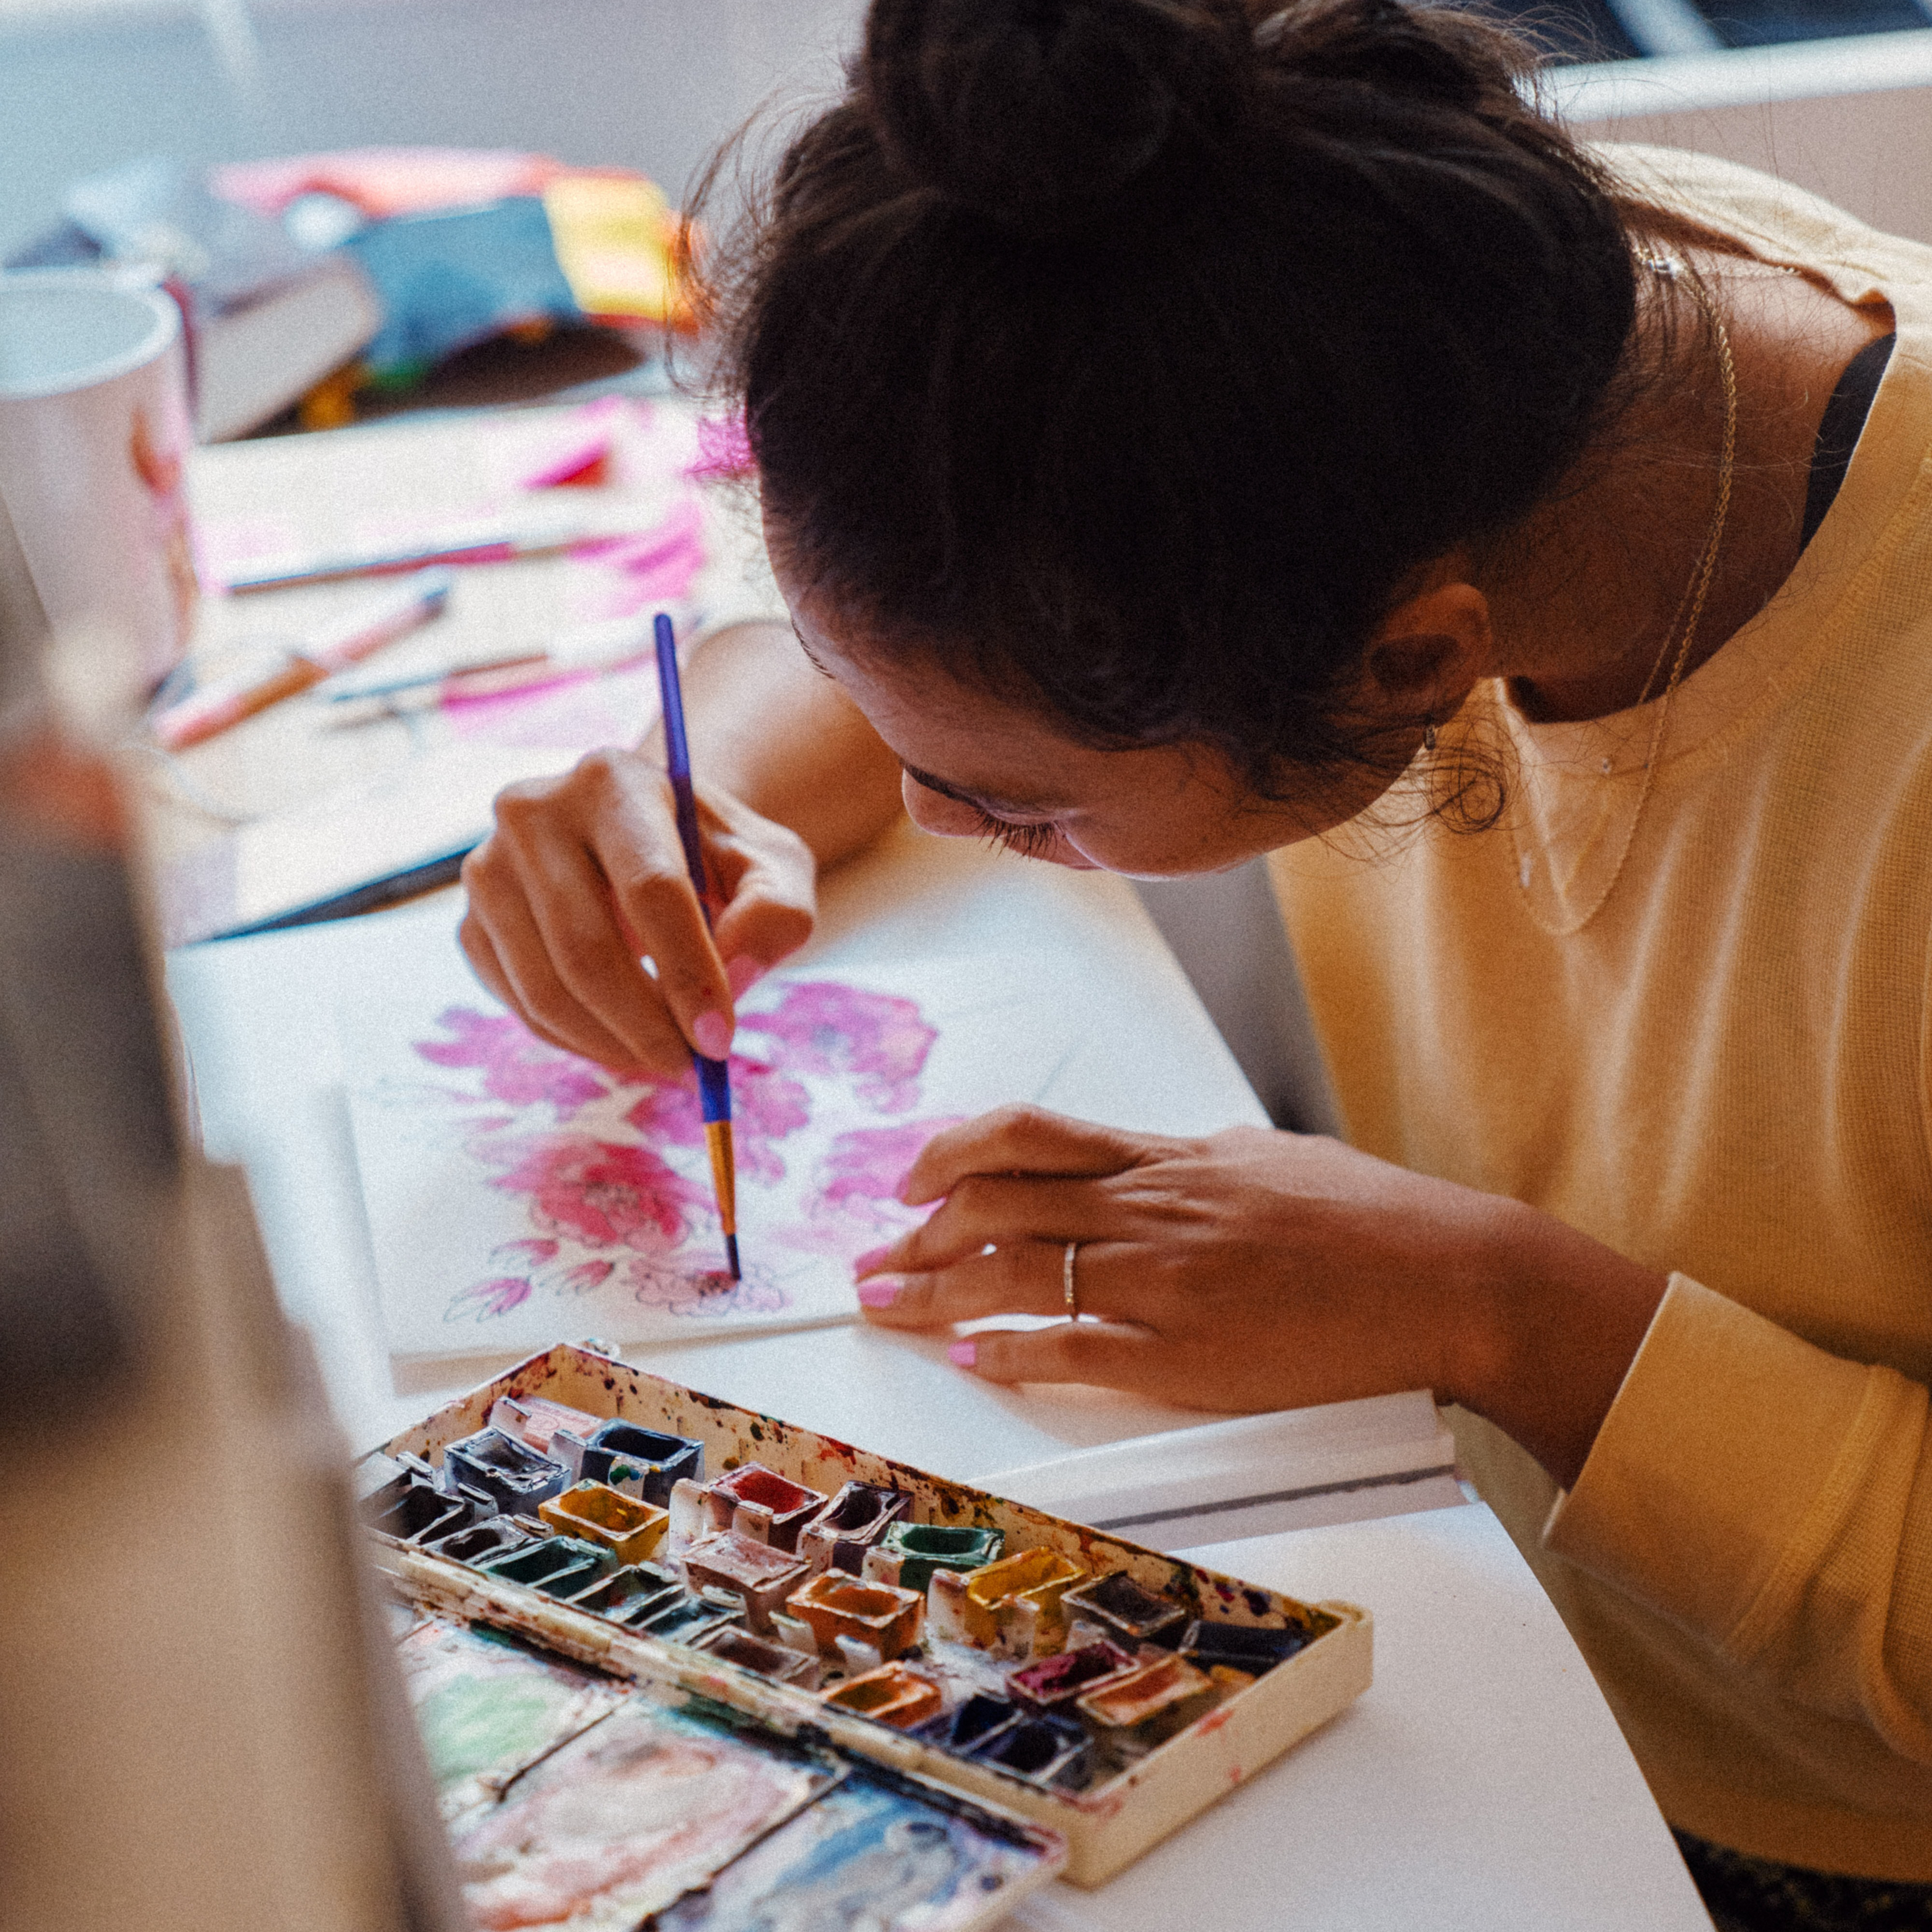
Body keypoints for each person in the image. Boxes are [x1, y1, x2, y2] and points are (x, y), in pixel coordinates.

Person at [458, 0, 1932, 1917]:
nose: (926, 817)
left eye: (1017, 805)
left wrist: (1508, 1317)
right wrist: (702, 771)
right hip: (1490, 1583)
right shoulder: (1392, 295)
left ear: (1411, 658)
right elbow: (962, 592)